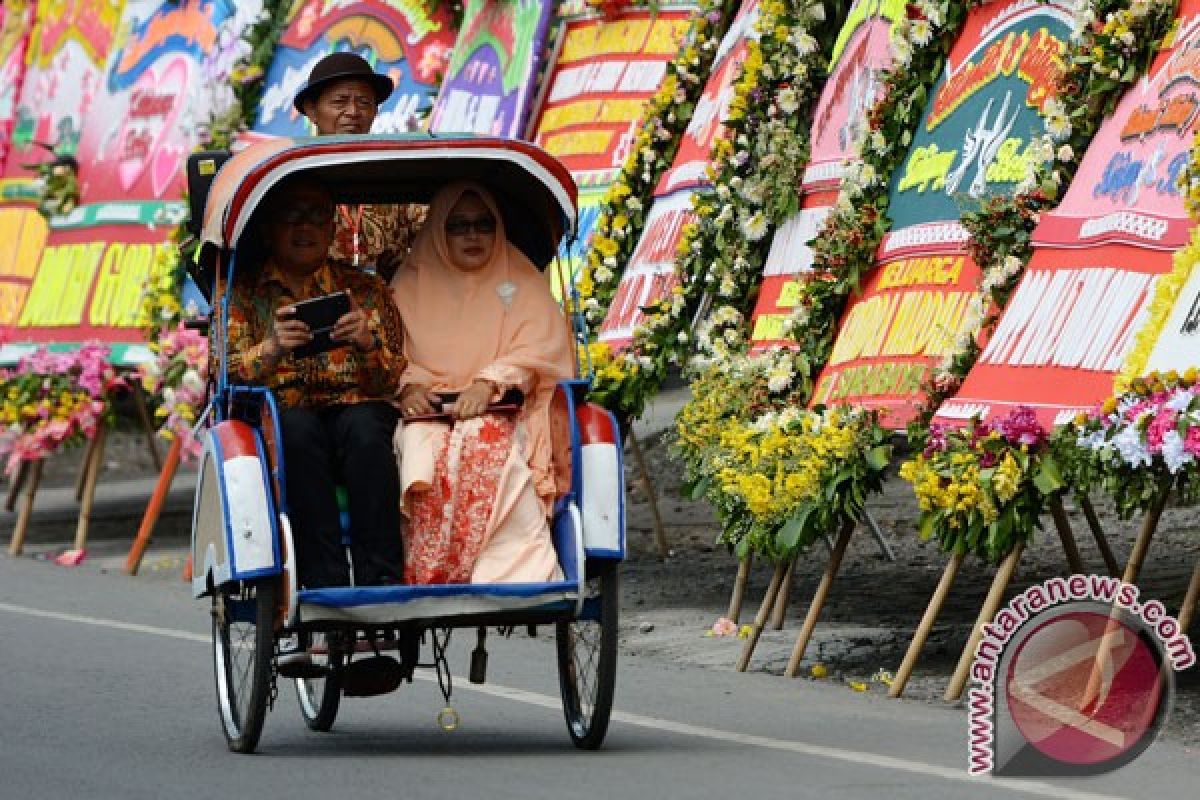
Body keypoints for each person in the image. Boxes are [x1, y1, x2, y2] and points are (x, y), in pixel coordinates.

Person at [225, 173, 406, 589]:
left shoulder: (366, 288)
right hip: (283, 414)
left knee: (366, 427)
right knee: (297, 428)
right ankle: (324, 583)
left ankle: (381, 580)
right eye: (292, 216)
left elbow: (394, 378)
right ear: (270, 230)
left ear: (331, 228)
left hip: (355, 407)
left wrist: (366, 343)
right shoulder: (243, 292)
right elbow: (225, 373)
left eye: (315, 217)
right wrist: (270, 348)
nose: (304, 227)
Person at [391, 182, 575, 585]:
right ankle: (432, 571)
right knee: (423, 451)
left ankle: (514, 574)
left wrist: (489, 383)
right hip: (427, 413)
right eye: (458, 226)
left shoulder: (521, 280)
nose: (472, 236)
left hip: (508, 409)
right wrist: (410, 389)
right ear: (438, 230)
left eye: (483, 224)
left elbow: (539, 349)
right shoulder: (408, 286)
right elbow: (391, 355)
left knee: (487, 438)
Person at [294, 52, 424, 280]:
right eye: (340, 102)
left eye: (364, 103)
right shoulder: (290, 176)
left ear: (375, 112)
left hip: (386, 309)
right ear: (312, 110)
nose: (353, 112)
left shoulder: (397, 180)